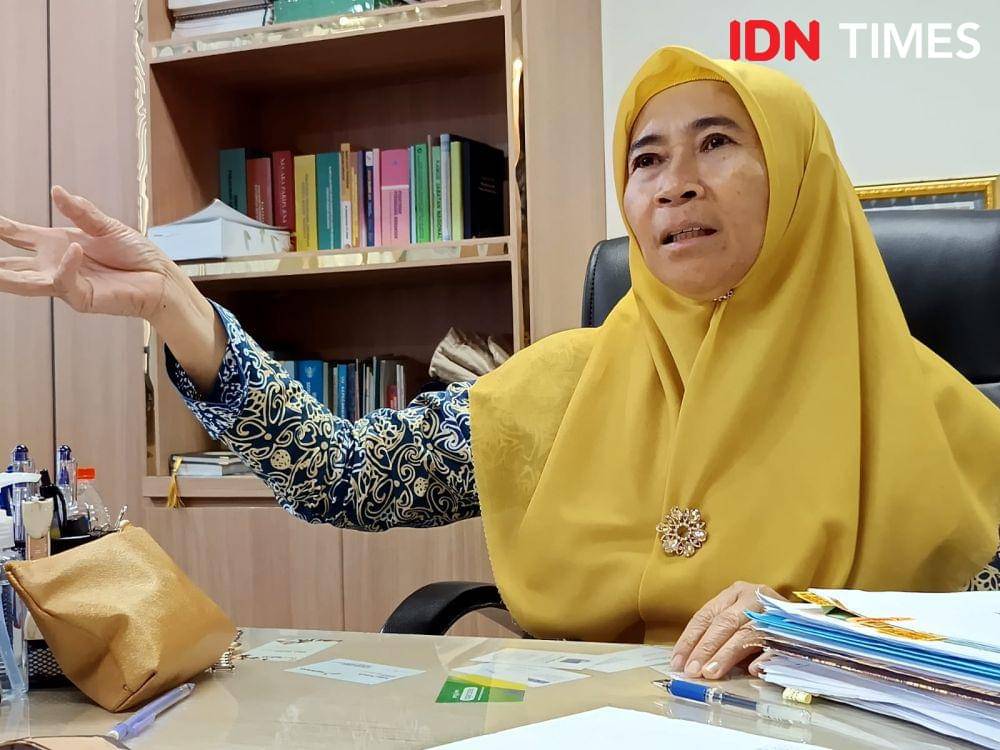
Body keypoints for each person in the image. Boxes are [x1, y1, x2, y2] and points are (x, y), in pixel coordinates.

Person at [1, 47, 998, 683]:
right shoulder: (561, 383)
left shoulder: (932, 412)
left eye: (717, 143)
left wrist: (826, 621)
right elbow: (344, 475)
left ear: (799, 180)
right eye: (646, 159)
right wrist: (177, 309)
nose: (676, 183)